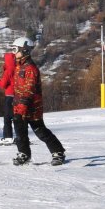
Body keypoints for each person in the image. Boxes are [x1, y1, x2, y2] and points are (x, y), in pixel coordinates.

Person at [10, 37, 66, 166]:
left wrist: (23, 105)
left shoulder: (30, 68)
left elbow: (29, 89)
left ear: (24, 50)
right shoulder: (19, 67)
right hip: (19, 105)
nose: (13, 53)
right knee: (20, 132)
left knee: (40, 131)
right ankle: (24, 153)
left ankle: (58, 152)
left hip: (31, 107)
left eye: (15, 50)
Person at [0, 48, 17, 145]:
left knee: (7, 117)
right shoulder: (18, 67)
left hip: (10, 95)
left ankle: (8, 137)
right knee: (17, 117)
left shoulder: (8, 70)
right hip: (18, 95)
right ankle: (21, 136)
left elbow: (3, 84)